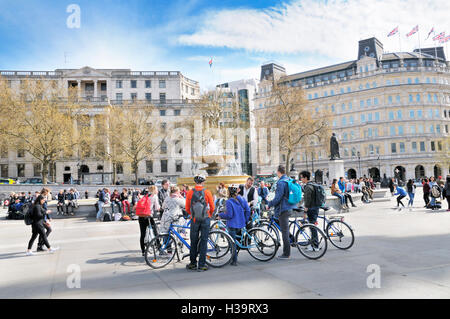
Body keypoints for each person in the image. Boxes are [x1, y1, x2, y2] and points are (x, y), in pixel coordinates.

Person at [266, 165, 297, 259]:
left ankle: (286, 253)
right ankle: (292, 240)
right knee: (285, 229)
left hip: (283, 209)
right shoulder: (288, 180)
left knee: (284, 232)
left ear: (279, 172)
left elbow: (278, 198)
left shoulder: (281, 182)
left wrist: (269, 204)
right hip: (290, 206)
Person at [185, 175, 214, 271]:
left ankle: (193, 263)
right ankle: (201, 264)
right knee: (204, 241)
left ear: (195, 182)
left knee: (194, 241)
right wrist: (209, 214)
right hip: (205, 219)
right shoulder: (207, 192)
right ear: (203, 182)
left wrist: (193, 215)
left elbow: (187, 208)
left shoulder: (190, 192)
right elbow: (212, 207)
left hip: (194, 220)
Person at [218, 184, 251, 266]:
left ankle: (234, 260)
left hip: (232, 224)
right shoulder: (242, 199)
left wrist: (221, 215)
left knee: (232, 243)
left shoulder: (229, 201)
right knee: (236, 241)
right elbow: (247, 210)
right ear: (237, 191)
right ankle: (235, 257)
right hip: (241, 224)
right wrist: (245, 220)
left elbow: (229, 215)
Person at [300, 171, 321, 252]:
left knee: (312, 228)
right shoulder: (313, 184)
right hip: (315, 207)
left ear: (305, 178)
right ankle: (313, 244)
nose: (301, 179)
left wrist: (305, 211)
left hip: (311, 209)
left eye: (302, 177)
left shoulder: (308, 187)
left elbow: (307, 201)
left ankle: (315, 246)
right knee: (312, 227)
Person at [138, 185, 160, 256]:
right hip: (148, 216)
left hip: (141, 216)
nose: (157, 191)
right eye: (157, 189)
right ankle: (159, 247)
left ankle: (143, 251)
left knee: (142, 233)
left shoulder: (145, 196)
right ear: (154, 190)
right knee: (155, 231)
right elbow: (157, 207)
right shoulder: (154, 196)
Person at [37, 188, 52, 252]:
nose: (48, 193)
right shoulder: (42, 199)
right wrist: (48, 218)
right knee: (49, 230)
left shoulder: (41, 198)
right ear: (45, 192)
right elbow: (44, 210)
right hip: (41, 219)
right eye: (48, 192)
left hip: (42, 218)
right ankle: (41, 244)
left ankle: (40, 245)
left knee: (41, 233)